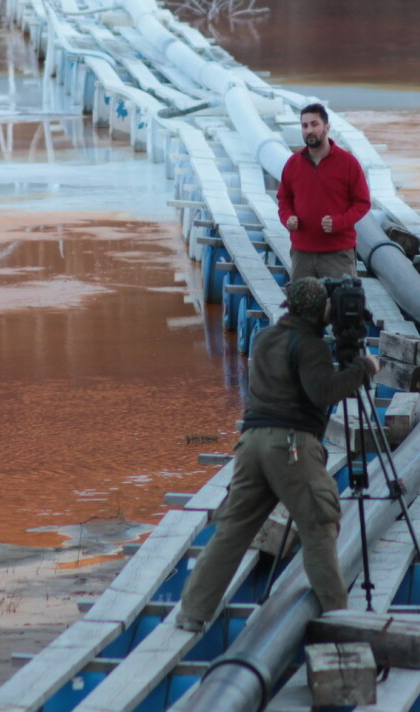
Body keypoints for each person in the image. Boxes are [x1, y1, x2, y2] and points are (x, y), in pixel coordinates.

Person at [173, 278, 379, 632]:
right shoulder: (310, 345)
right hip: (290, 447)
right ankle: (337, 615)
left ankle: (191, 612)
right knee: (318, 522)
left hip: (251, 444)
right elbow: (324, 392)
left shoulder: (266, 337)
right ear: (319, 311)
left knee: (233, 528)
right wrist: (363, 369)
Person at [276, 102, 371, 281]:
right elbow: (283, 199)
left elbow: (362, 203)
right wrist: (287, 218)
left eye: (314, 124)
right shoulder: (293, 164)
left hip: (338, 254)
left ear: (327, 127)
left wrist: (339, 222)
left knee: (341, 307)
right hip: (302, 254)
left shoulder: (348, 163)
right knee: (303, 308)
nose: (309, 130)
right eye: (304, 126)